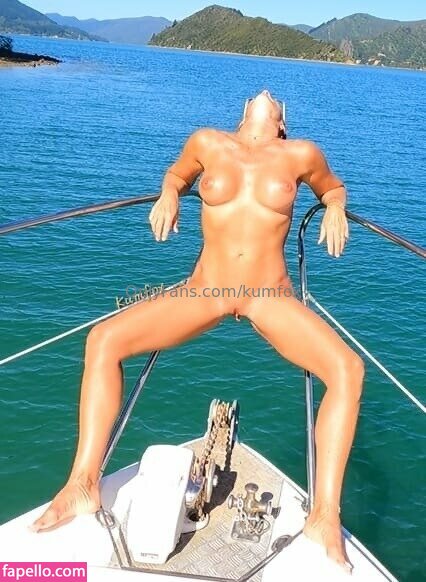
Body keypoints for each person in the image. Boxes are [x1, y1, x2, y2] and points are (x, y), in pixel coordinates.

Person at [31, 90, 363, 574]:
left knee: (348, 370)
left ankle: (324, 516)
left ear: (282, 122)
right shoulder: (207, 141)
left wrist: (334, 206)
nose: (266, 96)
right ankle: (81, 484)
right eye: (258, 97)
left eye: (275, 101)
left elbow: (332, 188)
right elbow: (177, 174)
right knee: (103, 340)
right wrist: (169, 193)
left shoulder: (301, 153)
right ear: (243, 113)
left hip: (268, 295)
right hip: (205, 290)